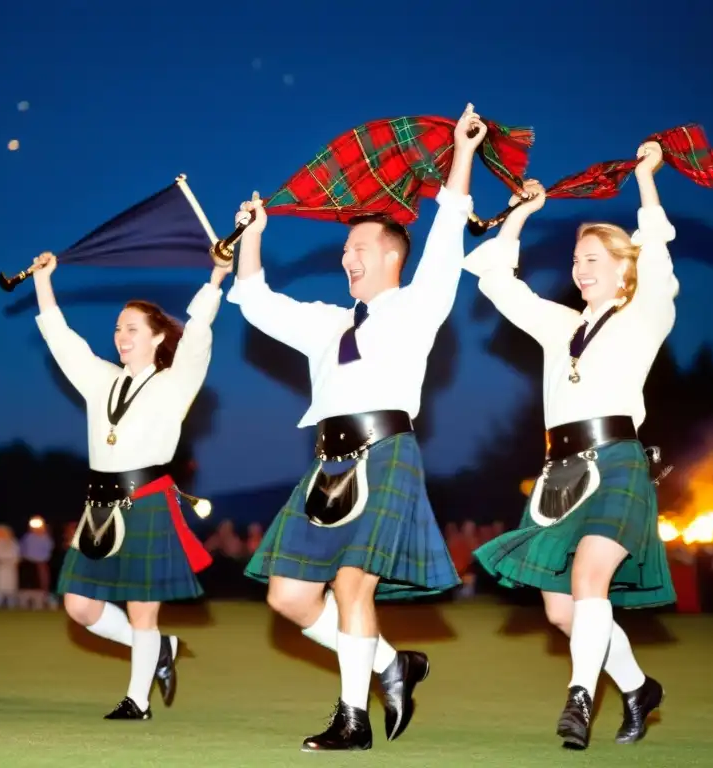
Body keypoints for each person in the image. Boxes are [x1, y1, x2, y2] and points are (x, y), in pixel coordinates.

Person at [226, 104, 487, 752]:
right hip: (326, 464)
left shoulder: (419, 304)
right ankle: (392, 665)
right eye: (344, 251)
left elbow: (449, 227)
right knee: (288, 597)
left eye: (359, 249)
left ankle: (353, 718)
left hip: (386, 453)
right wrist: (252, 232)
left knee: (350, 586)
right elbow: (256, 302)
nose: (347, 258)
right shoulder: (325, 322)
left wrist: (462, 151)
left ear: (392, 256)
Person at [466, 141, 677, 750]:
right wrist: (520, 216)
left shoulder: (645, 315)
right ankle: (638, 687)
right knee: (563, 612)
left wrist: (644, 180)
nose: (581, 269)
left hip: (617, 463)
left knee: (590, 578)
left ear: (622, 268)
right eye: (577, 259)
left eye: (593, 258)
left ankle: (579, 698)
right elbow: (496, 284)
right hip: (559, 473)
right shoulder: (560, 327)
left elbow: (658, 251)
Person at [31, 250, 227, 720]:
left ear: (157, 337)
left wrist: (217, 275)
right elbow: (63, 343)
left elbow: (197, 336)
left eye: (131, 328)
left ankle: (137, 701)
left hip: (147, 501)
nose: (120, 335)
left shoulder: (174, 383)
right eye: (118, 327)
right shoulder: (101, 380)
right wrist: (43, 282)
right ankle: (160, 648)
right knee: (79, 605)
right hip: (99, 503)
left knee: (143, 609)